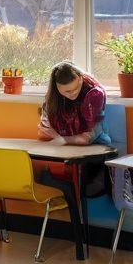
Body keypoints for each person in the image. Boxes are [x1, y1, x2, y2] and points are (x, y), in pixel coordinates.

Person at [36, 62, 111, 219]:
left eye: (76, 88)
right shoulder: (53, 100)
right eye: (66, 91)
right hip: (68, 149)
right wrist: (60, 138)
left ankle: (67, 194)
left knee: (87, 185)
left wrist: (61, 139)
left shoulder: (94, 96)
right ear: (57, 88)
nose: (72, 93)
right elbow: (42, 132)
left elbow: (86, 139)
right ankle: (64, 193)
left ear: (80, 78)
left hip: (94, 146)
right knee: (49, 171)